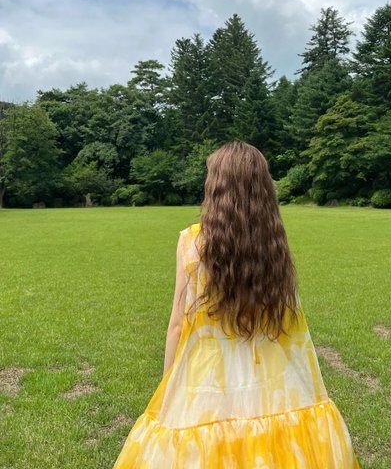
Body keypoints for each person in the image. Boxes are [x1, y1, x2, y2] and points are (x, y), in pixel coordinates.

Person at [113, 140, 361, 468]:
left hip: (207, 375)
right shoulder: (273, 244)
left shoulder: (191, 242)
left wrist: (168, 383)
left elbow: (177, 323)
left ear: (215, 188)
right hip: (273, 375)